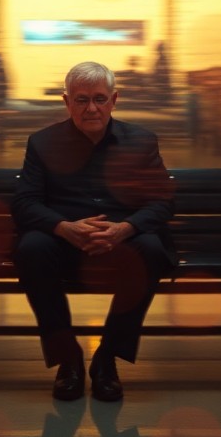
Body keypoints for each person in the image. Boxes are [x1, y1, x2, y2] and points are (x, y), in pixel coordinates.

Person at [11, 61, 175, 403]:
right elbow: (25, 202)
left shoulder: (141, 141)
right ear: (66, 101)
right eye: (81, 99)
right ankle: (67, 358)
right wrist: (63, 227)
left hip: (122, 242)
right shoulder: (42, 142)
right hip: (63, 242)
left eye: (100, 99)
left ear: (114, 100)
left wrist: (125, 229)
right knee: (31, 248)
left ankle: (107, 358)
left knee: (152, 249)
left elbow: (162, 202)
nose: (91, 108)